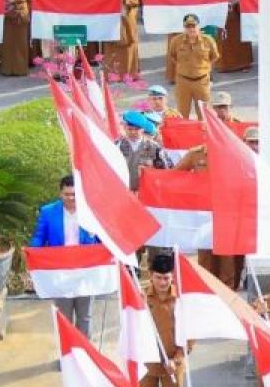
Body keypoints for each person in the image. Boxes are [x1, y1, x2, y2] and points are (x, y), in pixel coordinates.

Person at [30, 175, 103, 338]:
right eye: (67, 194)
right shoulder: (48, 212)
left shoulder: (91, 211)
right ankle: (68, 355)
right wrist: (33, 254)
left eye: (74, 194)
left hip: (85, 272)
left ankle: (85, 355)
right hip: (61, 272)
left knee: (85, 317)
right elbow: (39, 237)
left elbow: (101, 239)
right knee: (64, 318)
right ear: (60, 194)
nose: (71, 198)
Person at [138, 255, 190, 387]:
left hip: (172, 363)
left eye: (166, 278)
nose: (162, 282)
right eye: (158, 277)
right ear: (151, 276)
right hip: (147, 363)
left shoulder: (181, 299)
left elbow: (188, 336)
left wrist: (176, 359)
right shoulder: (140, 296)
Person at [167, 14, 221, 118]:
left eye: (193, 26)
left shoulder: (208, 40)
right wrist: (184, 67)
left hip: (202, 81)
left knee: (204, 114)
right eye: (188, 27)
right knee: (182, 114)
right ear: (184, 28)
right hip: (183, 82)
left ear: (198, 26)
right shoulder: (176, 41)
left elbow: (214, 57)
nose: (191, 29)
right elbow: (172, 56)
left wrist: (204, 68)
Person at [117, 110, 172, 191]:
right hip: (123, 191)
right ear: (125, 127)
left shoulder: (154, 148)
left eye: (136, 129)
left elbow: (165, 172)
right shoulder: (117, 146)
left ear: (142, 129)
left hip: (147, 192)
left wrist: (151, 171)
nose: (133, 132)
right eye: (130, 129)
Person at [0, 0, 32, 77]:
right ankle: (6, 69)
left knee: (21, 42)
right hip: (6, 12)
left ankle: (21, 69)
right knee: (7, 41)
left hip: (20, 13)